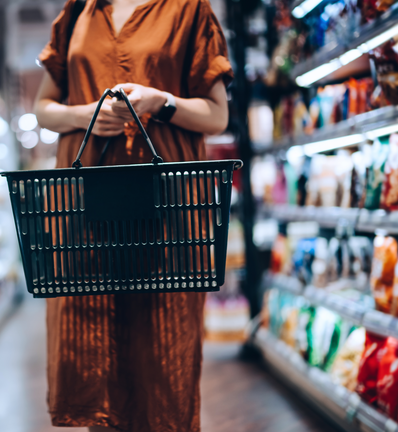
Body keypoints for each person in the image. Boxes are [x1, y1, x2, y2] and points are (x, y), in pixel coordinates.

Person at [33, 0, 233, 431]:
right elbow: (43, 108)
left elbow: (217, 116)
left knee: (164, 350)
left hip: (169, 211)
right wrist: (86, 114)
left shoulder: (188, 10)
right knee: (95, 346)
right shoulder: (78, 12)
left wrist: (160, 101)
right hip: (87, 208)